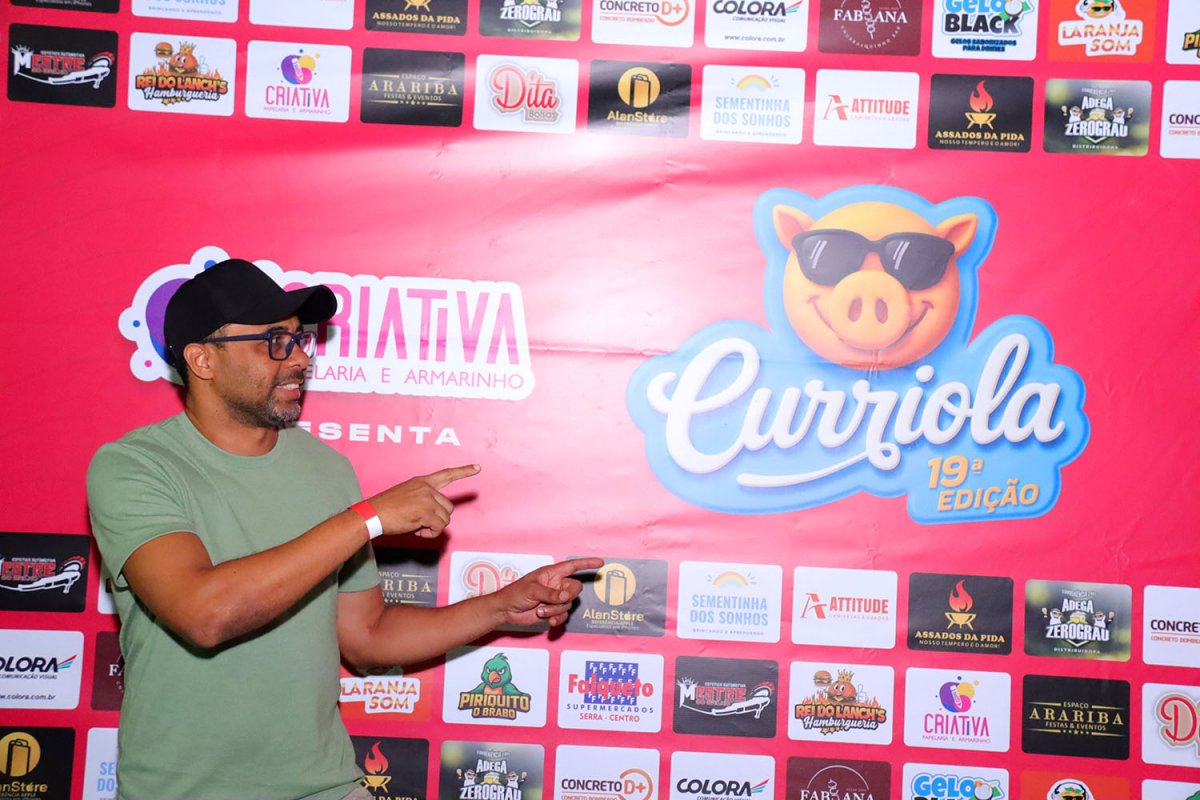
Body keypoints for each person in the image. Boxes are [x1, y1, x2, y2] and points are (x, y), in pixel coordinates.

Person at [86, 258, 601, 800]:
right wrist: (367, 518)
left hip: (325, 786)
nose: (299, 358)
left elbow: (367, 637)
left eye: (299, 339)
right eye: (274, 341)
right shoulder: (135, 466)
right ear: (202, 359)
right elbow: (205, 614)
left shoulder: (326, 469)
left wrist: (498, 607)